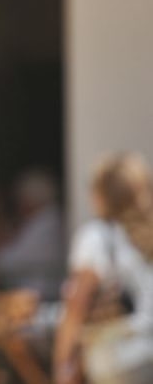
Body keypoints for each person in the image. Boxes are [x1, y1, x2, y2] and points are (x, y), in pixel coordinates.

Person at [53, 153, 153, 384]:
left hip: (119, 360)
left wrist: (63, 364)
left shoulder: (97, 237)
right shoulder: (145, 239)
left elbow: (77, 306)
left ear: (101, 196)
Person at [0, 167, 67, 301]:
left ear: (30, 199)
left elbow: (7, 263)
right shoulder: (48, 220)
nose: (19, 206)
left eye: (21, 199)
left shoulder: (45, 225)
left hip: (41, 298)